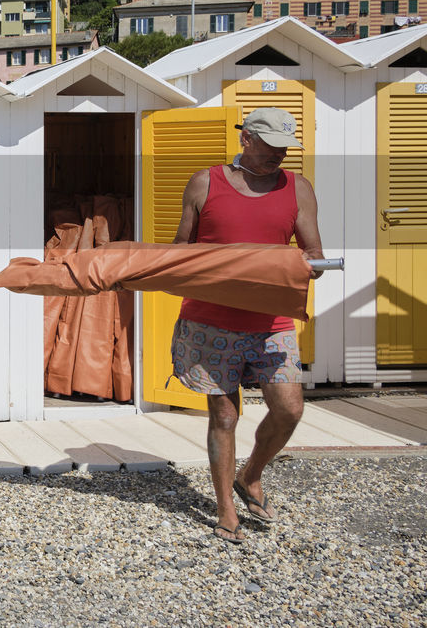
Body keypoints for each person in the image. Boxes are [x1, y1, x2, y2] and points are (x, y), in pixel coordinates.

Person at [171, 107, 324, 545]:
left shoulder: (298, 188)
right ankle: (225, 509)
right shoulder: (205, 182)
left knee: (289, 408)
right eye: (270, 146)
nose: (279, 155)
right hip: (210, 319)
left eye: (284, 148)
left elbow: (314, 255)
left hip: (271, 321)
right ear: (246, 140)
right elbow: (181, 250)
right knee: (224, 413)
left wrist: (293, 266)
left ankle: (250, 474)